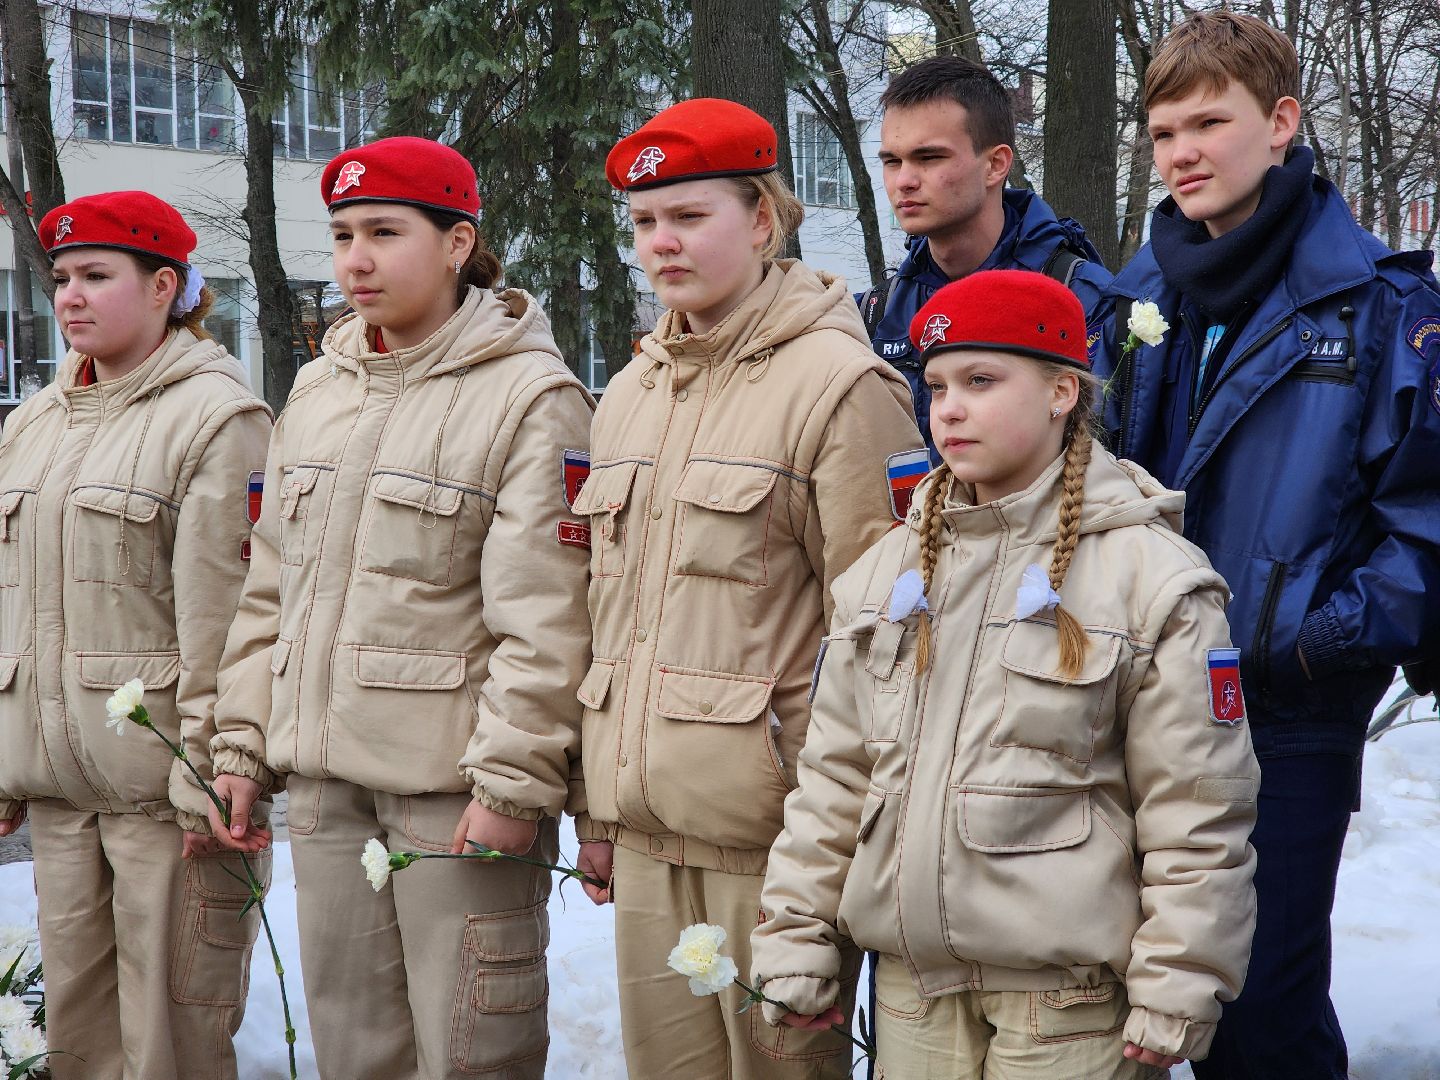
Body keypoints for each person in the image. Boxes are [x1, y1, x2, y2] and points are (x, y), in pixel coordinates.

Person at [752, 269, 1261, 1078]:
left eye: (981, 381)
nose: (948, 409)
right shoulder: (886, 574)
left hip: (1069, 1007)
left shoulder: (1152, 579)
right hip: (914, 997)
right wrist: (796, 933)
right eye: (937, 386)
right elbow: (836, 779)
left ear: (1062, 392)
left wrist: (1179, 979)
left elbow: (1196, 808)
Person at [1093, 13, 1440, 1078]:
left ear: (1282, 123)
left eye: (1210, 123)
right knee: (1156, 995)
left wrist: (1309, 641)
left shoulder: (1381, 304)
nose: (1183, 153)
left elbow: (1425, 526)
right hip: (1137, 698)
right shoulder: (1133, 298)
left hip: (1285, 710)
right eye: (1163, 133)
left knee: (1260, 1013)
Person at [204, 136, 594, 1080]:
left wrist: (510, 788)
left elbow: (547, 621)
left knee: (472, 1049)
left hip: (452, 796)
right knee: (353, 1049)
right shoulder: (318, 389)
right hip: (327, 791)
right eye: (343, 235)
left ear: (458, 244)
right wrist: (241, 745)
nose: (356, 260)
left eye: (385, 232)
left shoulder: (531, 397)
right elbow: (271, 589)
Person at [569, 98, 924, 1080]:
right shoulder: (630, 393)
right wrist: (598, 813)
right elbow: (609, 615)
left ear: (763, 219)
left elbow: (885, 636)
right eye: (645, 221)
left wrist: (841, 843)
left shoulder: (842, 387)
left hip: (778, 851)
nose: (662, 242)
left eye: (690, 216)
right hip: (647, 840)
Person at [0, 191, 273, 1080]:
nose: (70, 296)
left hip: (167, 802)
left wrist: (212, 772)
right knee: (77, 1043)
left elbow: (230, 619)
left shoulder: (216, 418)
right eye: (62, 278)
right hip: (60, 797)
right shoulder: (34, 423)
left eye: (96, 275)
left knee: (169, 1045)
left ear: (164, 288)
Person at [862, 55, 1115, 461]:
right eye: (893, 161)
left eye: (929, 158)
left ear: (996, 164)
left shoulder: (1085, 300)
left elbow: (1107, 458)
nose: (903, 181)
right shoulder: (876, 313)